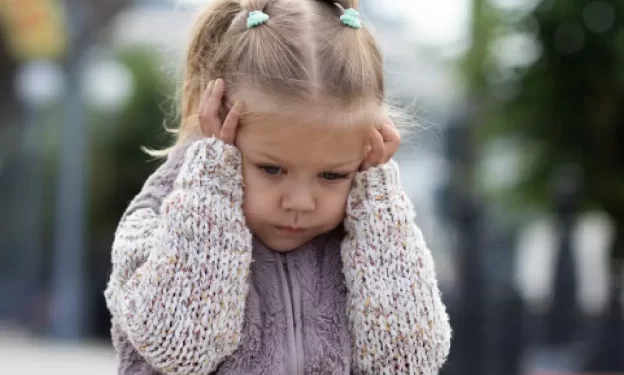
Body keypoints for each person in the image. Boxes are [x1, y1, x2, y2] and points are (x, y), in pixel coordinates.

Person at [103, 0, 451, 374]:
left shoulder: (369, 235)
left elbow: (410, 362)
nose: (300, 202)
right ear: (220, 126)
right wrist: (212, 185)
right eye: (272, 169)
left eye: (332, 175)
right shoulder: (155, 221)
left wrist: (378, 201)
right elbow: (180, 346)